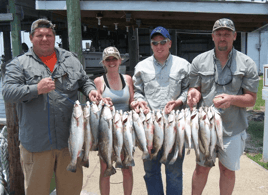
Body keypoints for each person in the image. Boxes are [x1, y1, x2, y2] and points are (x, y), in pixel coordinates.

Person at [2, 18, 100, 195]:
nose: (45, 39)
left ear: (54, 37)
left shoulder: (70, 59)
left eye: (48, 35)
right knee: (36, 191)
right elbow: (8, 92)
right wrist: (35, 89)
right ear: (31, 38)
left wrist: (91, 90)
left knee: (71, 190)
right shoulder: (18, 64)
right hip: (36, 145)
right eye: (39, 35)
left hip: (69, 143)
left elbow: (84, 81)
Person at [187, 18, 259, 195]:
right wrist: (193, 94)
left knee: (227, 171)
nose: (222, 38)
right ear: (213, 36)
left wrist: (232, 99)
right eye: (219, 34)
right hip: (206, 128)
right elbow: (194, 90)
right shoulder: (198, 61)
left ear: (234, 36)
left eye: (227, 34)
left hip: (233, 128)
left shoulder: (247, 63)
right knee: (201, 169)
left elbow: (251, 100)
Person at [132, 26, 190, 195]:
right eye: (155, 43)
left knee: (174, 173)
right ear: (150, 45)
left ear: (169, 43)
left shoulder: (183, 65)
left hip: (175, 126)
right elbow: (137, 92)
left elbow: (189, 89)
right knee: (151, 172)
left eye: (163, 42)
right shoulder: (141, 67)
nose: (159, 46)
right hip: (149, 127)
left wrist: (179, 101)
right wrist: (141, 102)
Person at [94, 46, 135, 195]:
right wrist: (101, 102)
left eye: (114, 59)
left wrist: (137, 105)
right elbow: (94, 104)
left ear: (120, 60)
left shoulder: (128, 79)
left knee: (127, 168)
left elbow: (132, 102)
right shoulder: (99, 81)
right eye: (108, 59)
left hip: (125, 129)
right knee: (105, 168)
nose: (111, 62)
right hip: (106, 130)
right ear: (103, 62)